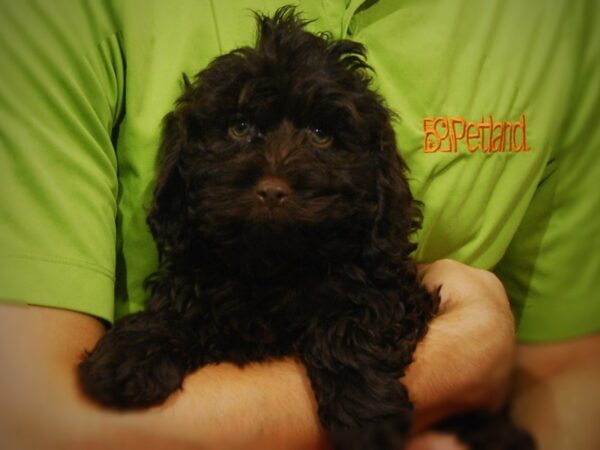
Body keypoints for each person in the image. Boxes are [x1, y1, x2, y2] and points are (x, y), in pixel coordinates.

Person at [0, 1, 598, 449]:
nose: (275, 176)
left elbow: (569, 374)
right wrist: (451, 365)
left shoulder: (563, 27)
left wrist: (350, 364)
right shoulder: (52, 20)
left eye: (318, 134)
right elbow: (33, 417)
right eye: (241, 131)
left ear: (376, 186)